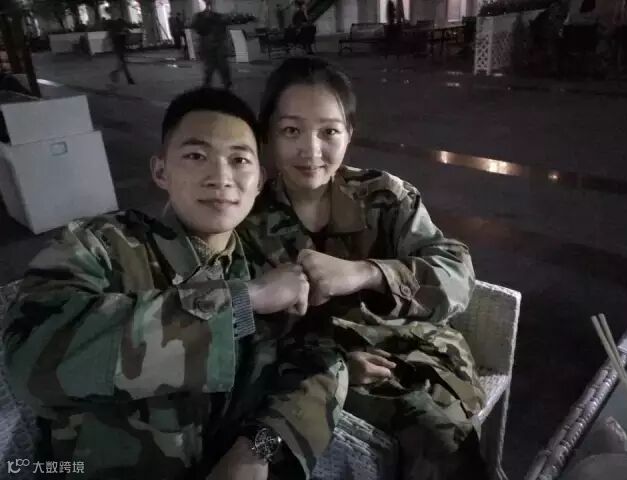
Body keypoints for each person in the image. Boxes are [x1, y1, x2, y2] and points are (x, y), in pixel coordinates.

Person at [2, 87, 348, 480]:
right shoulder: (102, 248)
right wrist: (241, 302)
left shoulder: (267, 267)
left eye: (239, 160)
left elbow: (324, 366)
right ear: (161, 171)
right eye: (196, 156)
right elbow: (30, 361)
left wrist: (257, 449)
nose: (221, 178)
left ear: (258, 181)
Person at [240, 57, 488, 480]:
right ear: (268, 135)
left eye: (329, 131)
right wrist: (339, 370)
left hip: (413, 349)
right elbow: (238, 330)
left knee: (455, 445)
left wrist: (366, 273)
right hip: (313, 372)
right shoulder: (245, 218)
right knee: (440, 443)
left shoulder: (383, 196)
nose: (311, 150)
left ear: (349, 134)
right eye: (291, 131)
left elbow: (456, 273)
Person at [192, 0, 232, 89]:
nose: (208, 4)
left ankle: (225, 82)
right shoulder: (200, 16)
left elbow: (224, 28)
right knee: (210, 66)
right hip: (208, 44)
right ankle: (208, 83)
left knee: (221, 65)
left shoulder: (218, 16)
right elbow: (197, 28)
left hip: (217, 44)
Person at [105, 12, 135, 85]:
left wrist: (124, 33)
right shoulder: (115, 28)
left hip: (119, 46)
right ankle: (128, 78)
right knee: (123, 62)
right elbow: (128, 33)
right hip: (119, 47)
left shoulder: (116, 28)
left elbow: (110, 37)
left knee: (122, 62)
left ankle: (116, 74)